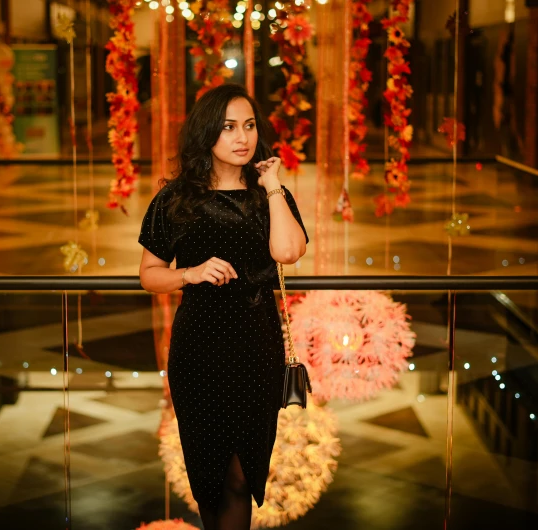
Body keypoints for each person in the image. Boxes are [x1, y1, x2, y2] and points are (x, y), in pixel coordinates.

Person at [138, 84, 308, 530]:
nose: (242, 137)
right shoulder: (176, 200)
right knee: (209, 481)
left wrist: (272, 185)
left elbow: (289, 252)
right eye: (229, 127)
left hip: (256, 347)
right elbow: (149, 274)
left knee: (239, 478)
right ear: (207, 133)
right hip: (199, 350)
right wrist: (188, 274)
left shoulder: (269, 196)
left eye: (249, 126)